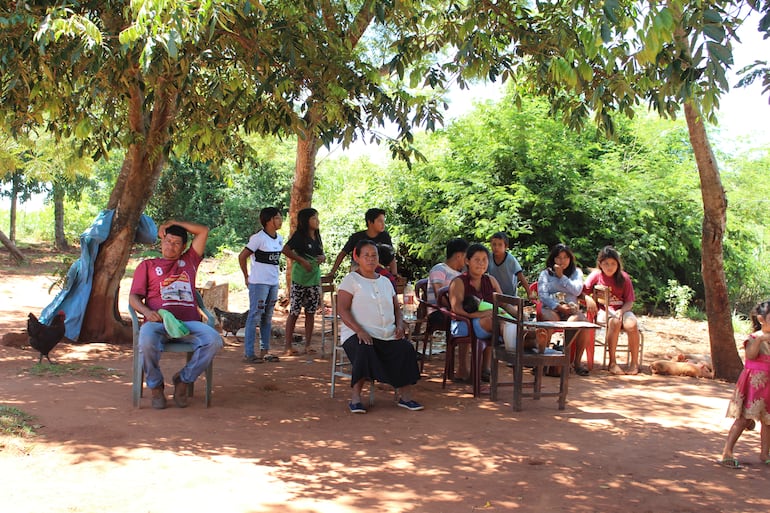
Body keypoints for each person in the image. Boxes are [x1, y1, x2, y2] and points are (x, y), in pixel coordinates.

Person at [129, 220, 223, 409]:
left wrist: (172, 222)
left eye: (176, 243)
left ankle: (183, 380)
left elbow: (203, 230)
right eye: (167, 241)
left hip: (188, 323)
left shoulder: (190, 261)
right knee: (146, 340)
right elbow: (133, 297)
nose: (170, 246)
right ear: (161, 240)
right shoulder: (147, 265)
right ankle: (156, 387)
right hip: (157, 323)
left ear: (183, 247)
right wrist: (147, 311)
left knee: (214, 340)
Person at [337, 239, 423, 414]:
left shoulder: (385, 281)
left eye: (374, 255)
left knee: (405, 348)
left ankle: (405, 397)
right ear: (357, 257)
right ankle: (355, 398)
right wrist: (359, 330)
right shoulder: (351, 280)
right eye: (366, 255)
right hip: (357, 333)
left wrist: (399, 325)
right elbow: (342, 309)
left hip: (386, 333)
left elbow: (396, 309)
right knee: (364, 348)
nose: (370, 259)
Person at [238, 207, 310, 363]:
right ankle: (249, 353)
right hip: (259, 283)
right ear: (269, 220)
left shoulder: (279, 238)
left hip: (272, 283)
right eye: (277, 218)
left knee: (267, 317)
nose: (280, 220)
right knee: (255, 316)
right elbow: (242, 256)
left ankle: (264, 351)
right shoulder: (258, 238)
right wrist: (246, 276)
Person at [720, 300, 770, 469]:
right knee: (743, 419)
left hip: (768, 384)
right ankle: (727, 451)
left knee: (768, 421)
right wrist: (761, 339)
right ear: (761, 319)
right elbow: (751, 355)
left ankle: (764, 453)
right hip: (753, 383)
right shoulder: (754, 338)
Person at [448, 243, 506, 382]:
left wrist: (518, 314)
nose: (481, 263)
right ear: (467, 261)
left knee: (509, 322)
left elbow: (503, 302)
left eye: (484, 259)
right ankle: (517, 344)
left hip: (488, 321)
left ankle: (526, 340)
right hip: (463, 323)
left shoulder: (490, 280)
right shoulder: (459, 282)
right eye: (477, 260)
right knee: (495, 322)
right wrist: (477, 315)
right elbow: (457, 309)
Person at [583, 246, 641, 375]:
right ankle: (612, 362)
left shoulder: (624, 278)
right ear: (600, 264)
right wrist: (588, 298)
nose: (610, 267)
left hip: (622, 309)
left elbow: (629, 301)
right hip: (604, 310)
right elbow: (581, 292)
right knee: (614, 322)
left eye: (613, 264)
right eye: (606, 264)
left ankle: (634, 363)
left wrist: (622, 311)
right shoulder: (596, 276)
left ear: (618, 264)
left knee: (632, 325)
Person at [536, 243, 593, 376]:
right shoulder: (545, 274)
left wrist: (562, 276)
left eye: (565, 258)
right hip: (552, 309)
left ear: (570, 259)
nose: (562, 261)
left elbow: (577, 290)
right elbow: (542, 295)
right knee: (550, 320)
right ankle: (543, 360)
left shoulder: (576, 273)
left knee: (581, 323)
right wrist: (558, 307)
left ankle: (574, 360)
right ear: (553, 259)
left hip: (571, 311)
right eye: (558, 258)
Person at [283, 208, 325, 356]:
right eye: (314, 218)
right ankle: (288, 346)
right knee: (294, 311)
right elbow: (286, 250)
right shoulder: (299, 236)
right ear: (306, 221)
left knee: (311, 312)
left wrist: (322, 258)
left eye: (317, 218)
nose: (317, 221)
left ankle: (308, 345)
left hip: (314, 279)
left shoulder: (317, 235)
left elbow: (321, 253)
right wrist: (301, 260)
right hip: (299, 279)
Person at [326, 208, 396, 278]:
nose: (383, 224)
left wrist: (394, 274)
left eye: (384, 221)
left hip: (378, 270)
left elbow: (391, 256)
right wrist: (333, 272)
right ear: (370, 222)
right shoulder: (356, 237)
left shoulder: (385, 236)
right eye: (380, 221)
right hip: (358, 272)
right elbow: (342, 254)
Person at [487, 231, 534, 300]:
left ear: (506, 247)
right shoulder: (488, 258)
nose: (496, 247)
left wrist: (529, 293)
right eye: (494, 244)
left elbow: (521, 277)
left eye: (500, 245)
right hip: (494, 295)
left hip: (510, 295)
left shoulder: (510, 260)